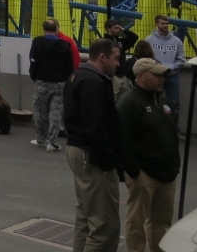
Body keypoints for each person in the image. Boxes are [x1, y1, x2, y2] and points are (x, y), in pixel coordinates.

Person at [63, 38, 122, 252]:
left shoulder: (77, 75)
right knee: (104, 226)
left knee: (86, 219)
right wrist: (108, 162)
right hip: (92, 155)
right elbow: (95, 126)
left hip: (78, 150)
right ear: (103, 57)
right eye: (116, 58)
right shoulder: (94, 82)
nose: (118, 64)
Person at [118, 57, 180, 252]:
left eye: (163, 75)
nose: (162, 79)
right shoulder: (128, 102)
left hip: (167, 174)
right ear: (141, 76)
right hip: (144, 174)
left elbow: (172, 134)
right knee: (136, 222)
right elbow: (121, 139)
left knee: (162, 222)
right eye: (157, 75)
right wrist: (133, 170)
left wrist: (175, 164)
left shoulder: (163, 101)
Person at [29, 18, 73, 152]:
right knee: (56, 112)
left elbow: (33, 60)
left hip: (42, 80)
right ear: (56, 29)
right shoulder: (65, 45)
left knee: (40, 111)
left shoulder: (38, 42)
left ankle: (41, 138)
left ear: (44, 29)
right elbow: (69, 65)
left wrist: (34, 76)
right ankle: (52, 142)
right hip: (60, 82)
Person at [145, 15, 185, 126]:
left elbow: (181, 59)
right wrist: (158, 68)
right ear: (156, 24)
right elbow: (147, 58)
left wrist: (169, 68)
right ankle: (156, 127)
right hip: (156, 75)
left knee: (174, 103)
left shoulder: (176, 41)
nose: (165, 26)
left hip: (172, 75)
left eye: (167, 23)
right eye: (162, 23)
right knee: (154, 101)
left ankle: (173, 128)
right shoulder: (149, 40)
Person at [104, 18, 137, 101]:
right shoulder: (105, 42)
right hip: (113, 75)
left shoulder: (120, 42)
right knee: (112, 98)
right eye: (115, 28)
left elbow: (134, 37)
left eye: (119, 28)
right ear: (108, 28)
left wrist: (124, 30)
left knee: (123, 99)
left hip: (123, 75)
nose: (118, 30)